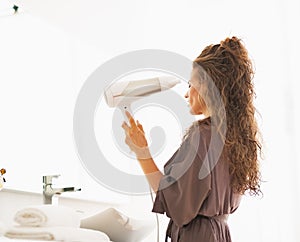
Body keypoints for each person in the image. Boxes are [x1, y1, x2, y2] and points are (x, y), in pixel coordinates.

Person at [122, 36, 261, 242]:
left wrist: (142, 152)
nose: (187, 95)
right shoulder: (236, 137)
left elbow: (173, 199)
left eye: (191, 84)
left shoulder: (203, 136)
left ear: (208, 86)